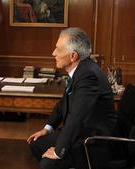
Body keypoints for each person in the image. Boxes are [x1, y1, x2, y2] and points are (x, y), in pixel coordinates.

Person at [27, 27, 118, 169]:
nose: (53, 53)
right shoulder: (81, 70)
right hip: (82, 131)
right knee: (36, 143)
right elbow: (63, 103)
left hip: (93, 140)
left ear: (73, 56)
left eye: (58, 49)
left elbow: (77, 116)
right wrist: (48, 128)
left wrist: (58, 152)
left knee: (48, 164)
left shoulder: (88, 75)